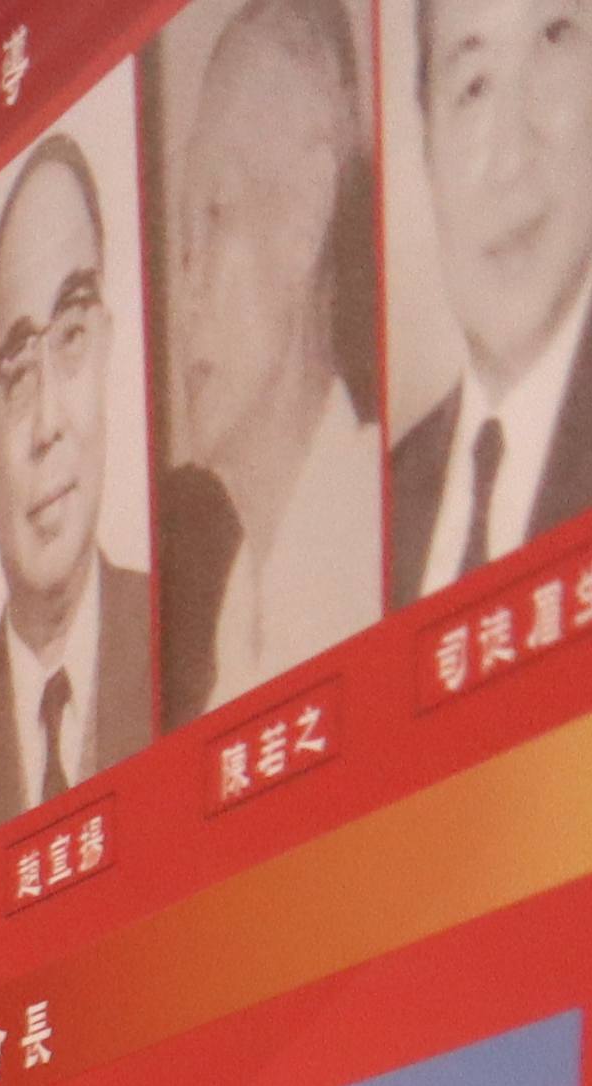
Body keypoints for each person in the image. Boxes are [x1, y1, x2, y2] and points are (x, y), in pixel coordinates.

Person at [160, 0, 385, 719]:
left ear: (309, 212)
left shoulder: (384, 547)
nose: (185, 295)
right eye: (183, 245)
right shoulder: (229, 619)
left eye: (217, 214)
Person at [392, 0, 592, 592]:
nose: (509, 159)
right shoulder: (386, 508)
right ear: (426, 136)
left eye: (554, 39)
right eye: (474, 86)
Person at [0, 135, 156, 815]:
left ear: (107, 352)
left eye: (71, 336)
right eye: (17, 372)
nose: (48, 423)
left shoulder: (181, 639)